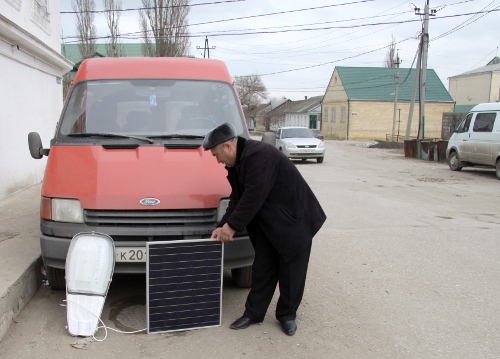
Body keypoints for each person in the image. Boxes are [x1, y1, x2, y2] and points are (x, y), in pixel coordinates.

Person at [203, 123, 326, 336]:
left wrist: (232, 228)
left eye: (217, 154)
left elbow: (253, 196)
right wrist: (222, 225)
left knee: (291, 274)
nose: (217, 160)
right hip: (269, 223)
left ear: (228, 146)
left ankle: (287, 316)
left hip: (294, 222)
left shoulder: (260, 155)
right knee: (262, 270)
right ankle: (253, 314)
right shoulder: (236, 164)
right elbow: (237, 198)